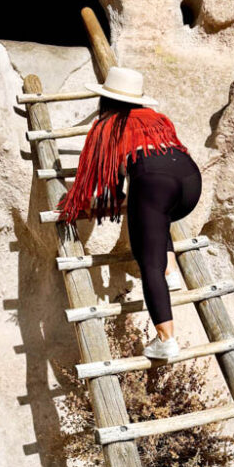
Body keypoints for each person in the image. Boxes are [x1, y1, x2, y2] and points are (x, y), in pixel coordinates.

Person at [55, 65, 202, 360]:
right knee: (159, 219)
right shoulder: (157, 119)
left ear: (105, 101)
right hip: (190, 183)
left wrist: (74, 201)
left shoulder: (107, 126)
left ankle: (165, 340)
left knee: (148, 262)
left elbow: (91, 175)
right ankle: (171, 271)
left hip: (154, 184)